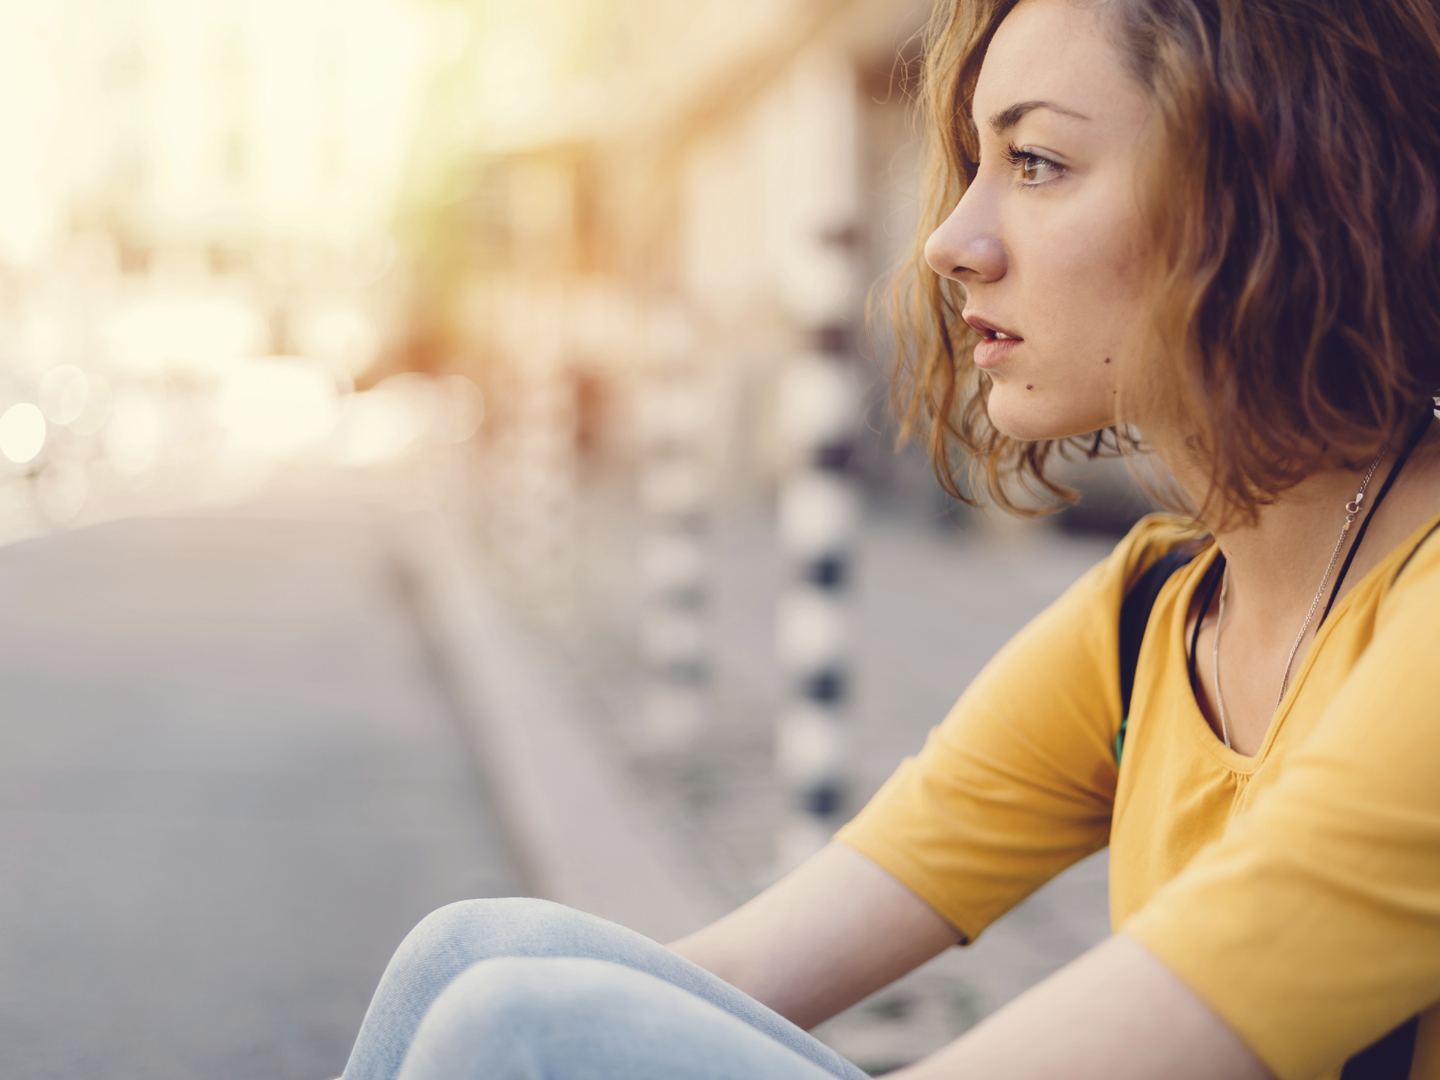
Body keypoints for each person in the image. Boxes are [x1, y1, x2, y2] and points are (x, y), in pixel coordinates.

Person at [338, 0, 1440, 1076]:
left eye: (1039, 163)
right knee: (479, 960)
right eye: (973, 164)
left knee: (522, 1028)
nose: (950, 242)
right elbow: (732, 976)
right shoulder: (1155, 614)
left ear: (1269, 192)